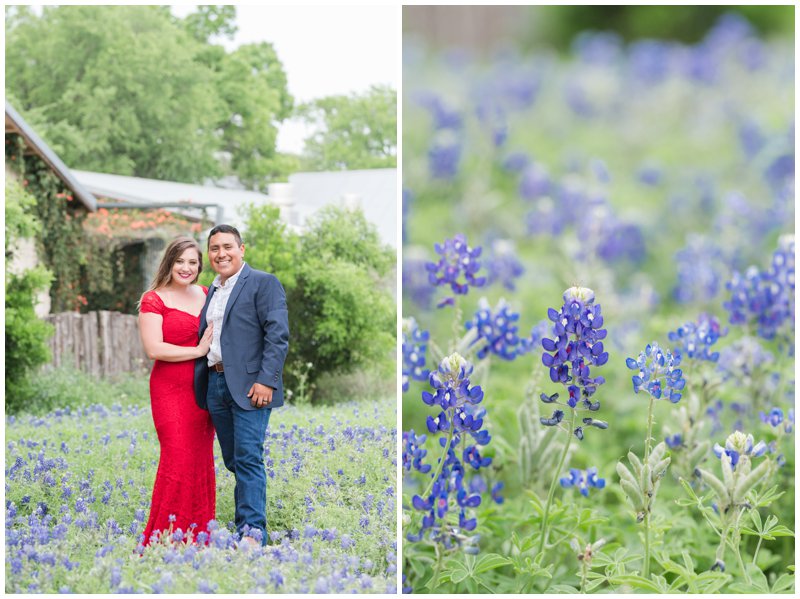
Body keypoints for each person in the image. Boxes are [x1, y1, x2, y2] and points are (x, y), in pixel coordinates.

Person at [193, 224, 289, 547]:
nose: (221, 253)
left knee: (248, 458)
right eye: (215, 248)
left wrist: (267, 380)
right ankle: (244, 524)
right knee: (234, 460)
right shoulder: (213, 290)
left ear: (242, 249)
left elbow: (277, 335)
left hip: (252, 387)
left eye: (227, 247)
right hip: (216, 383)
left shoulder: (263, 283)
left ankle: (252, 534)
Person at [137, 236, 216, 546]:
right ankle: (164, 538)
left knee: (200, 460)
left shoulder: (207, 294)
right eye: (180, 261)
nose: (186, 268)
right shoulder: (154, 298)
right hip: (170, 389)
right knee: (177, 458)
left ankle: (199, 538)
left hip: (202, 390)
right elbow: (153, 348)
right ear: (169, 262)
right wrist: (198, 351)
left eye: (193, 263)